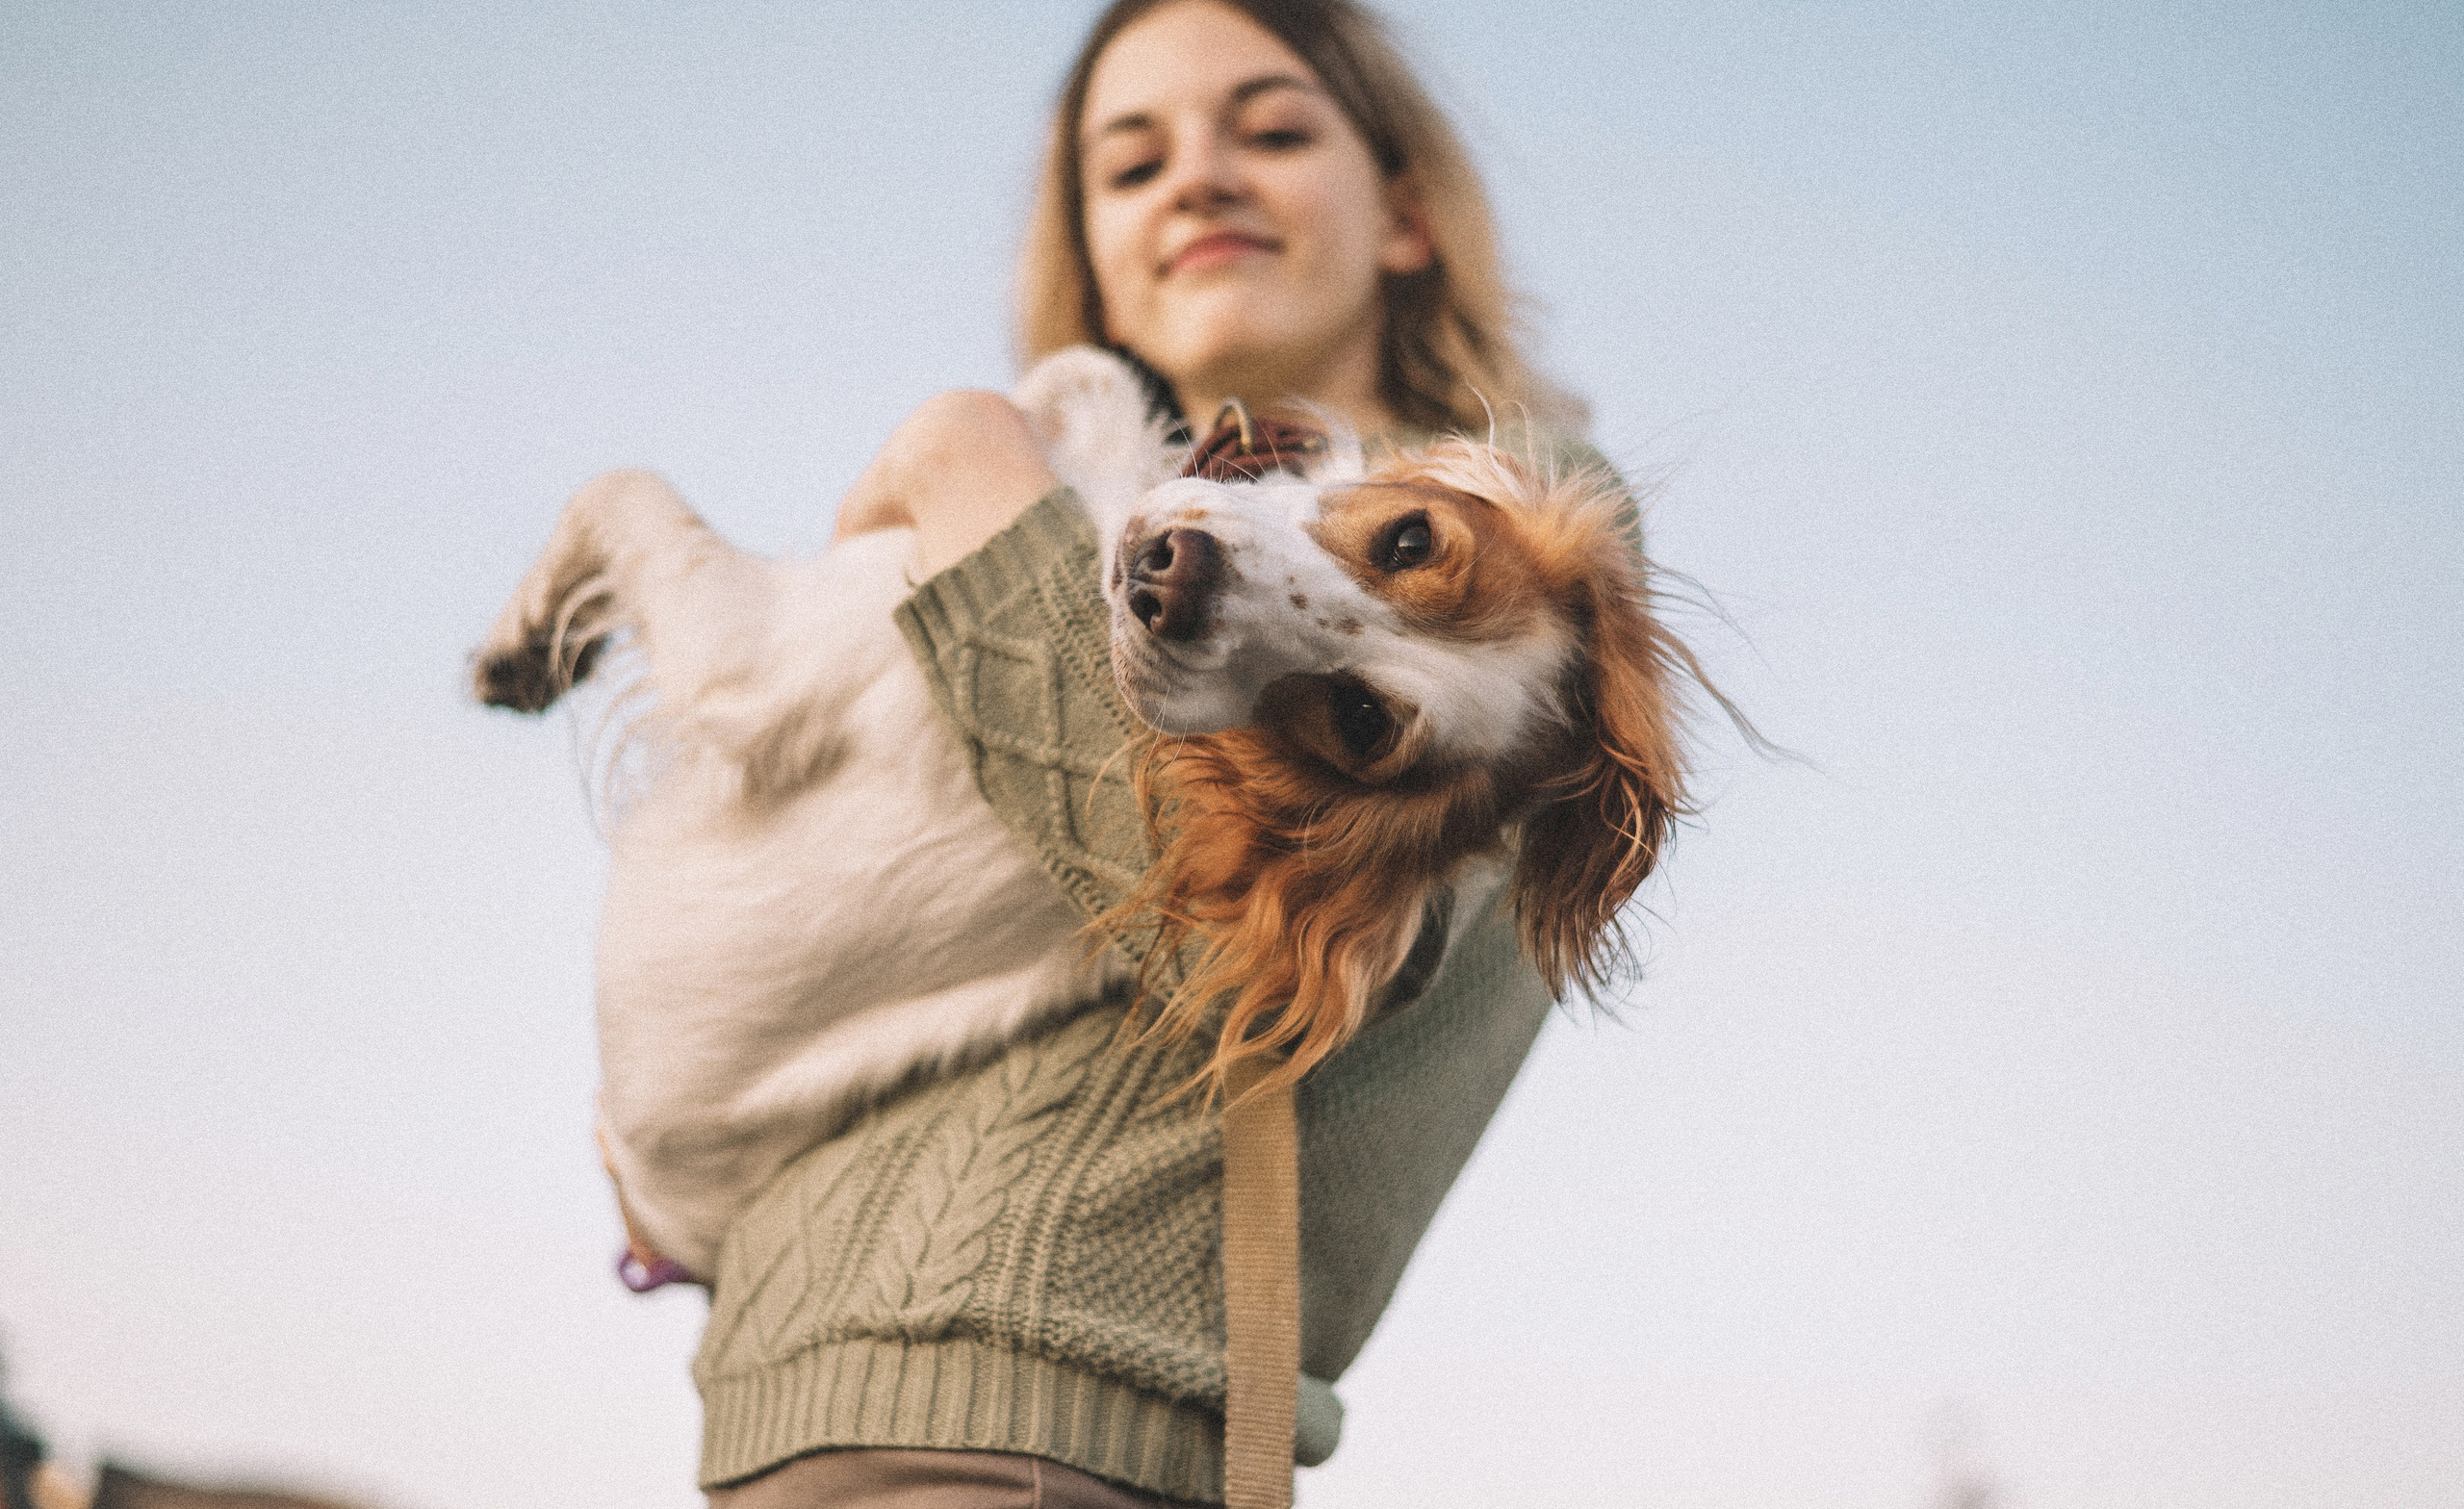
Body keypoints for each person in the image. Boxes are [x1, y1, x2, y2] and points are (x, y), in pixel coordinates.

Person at [694, 3, 1613, 1504]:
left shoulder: (1525, 526)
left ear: (1405, 216)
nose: (1197, 178)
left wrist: (964, 465)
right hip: (782, 1389)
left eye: (1272, 130)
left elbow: (1242, 925)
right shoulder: (1083, 523)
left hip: (1047, 1409)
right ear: (1099, 267)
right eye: (1130, 166)